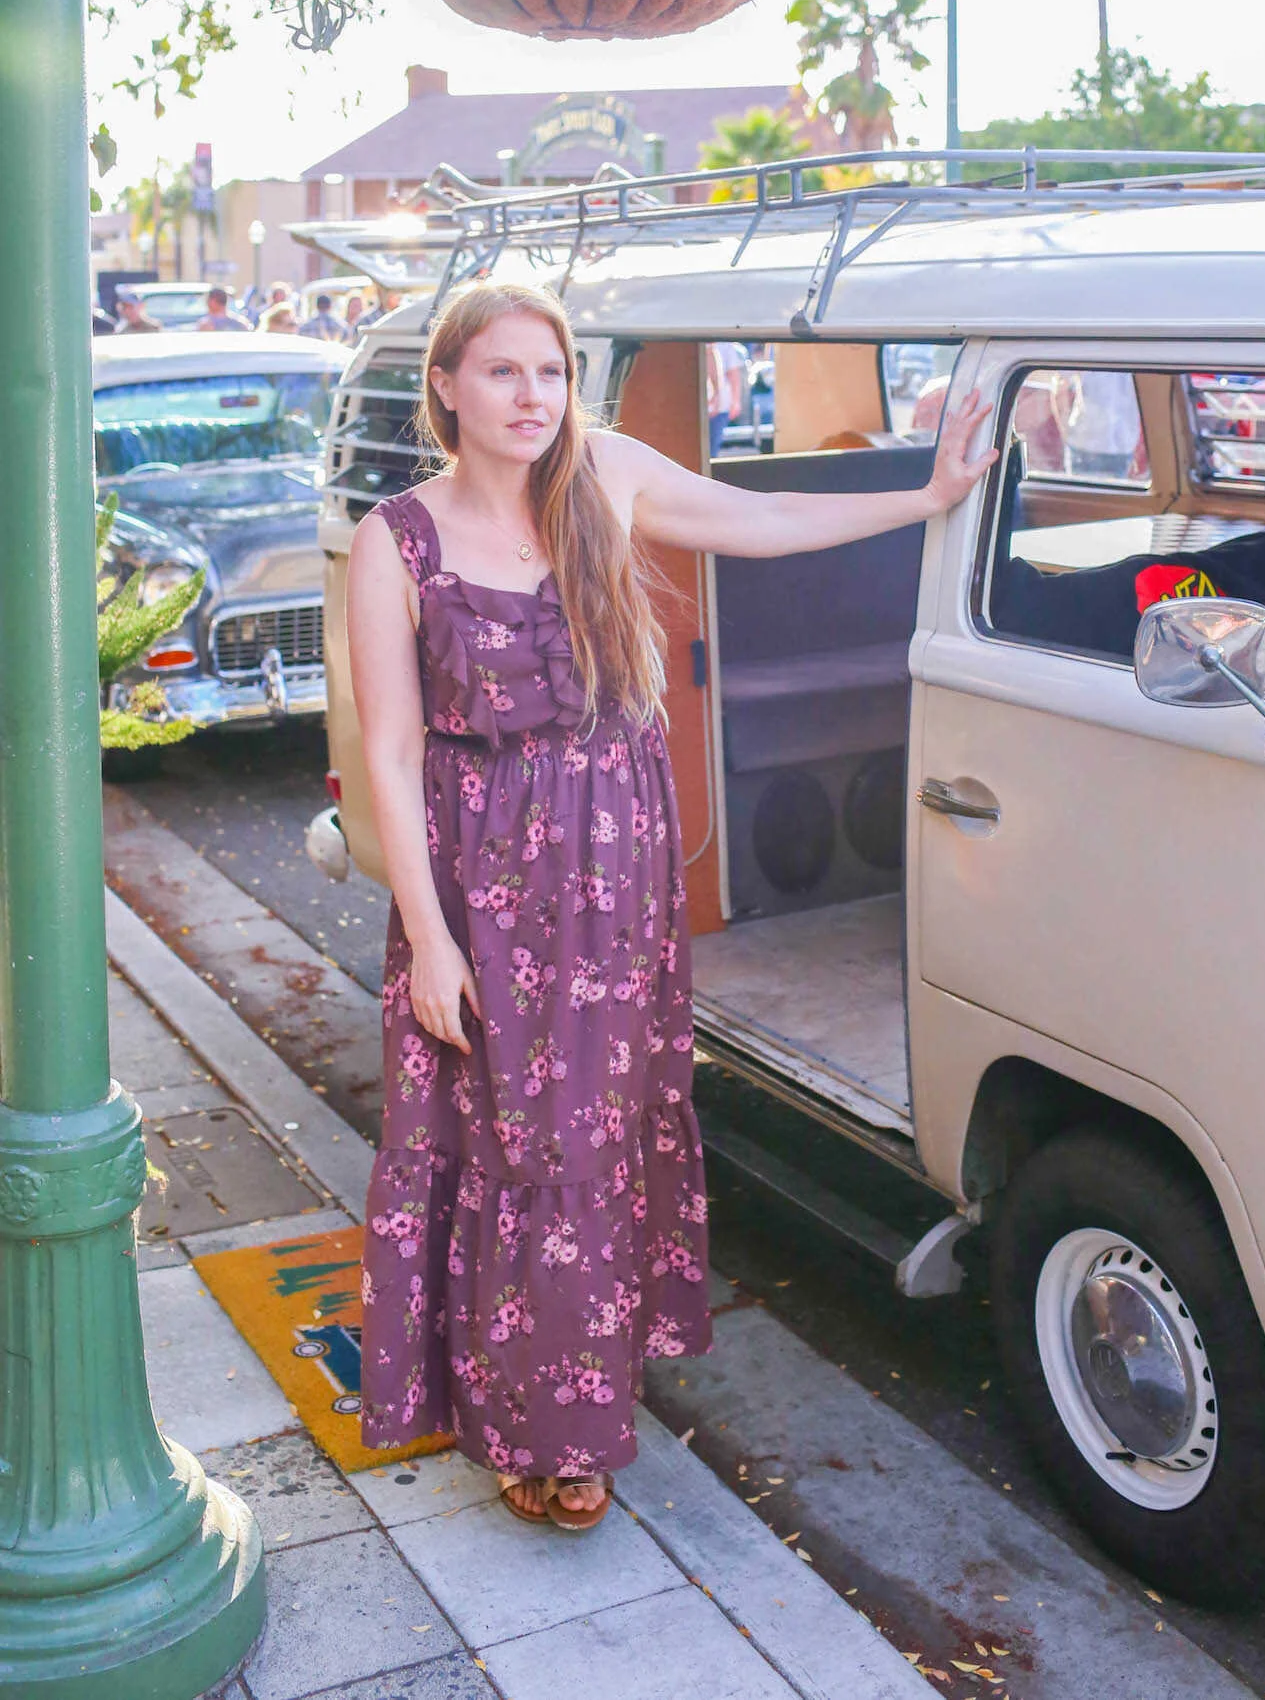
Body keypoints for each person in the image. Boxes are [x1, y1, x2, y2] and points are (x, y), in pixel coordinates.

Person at [346, 284, 995, 1530]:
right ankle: (525, 1423)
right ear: (447, 386)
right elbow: (391, 751)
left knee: (590, 1140)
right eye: (503, 372)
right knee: (514, 1146)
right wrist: (428, 939)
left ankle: (576, 1428)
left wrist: (923, 498)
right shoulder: (399, 541)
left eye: (551, 371)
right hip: (487, 884)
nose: (534, 396)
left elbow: (763, 520)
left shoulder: (607, 476)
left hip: (613, 875)